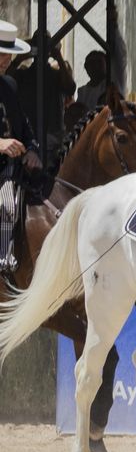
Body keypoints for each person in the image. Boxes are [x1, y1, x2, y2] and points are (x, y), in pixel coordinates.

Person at [0, 22, 43, 273]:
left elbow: (24, 125)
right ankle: (3, 261)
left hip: (13, 170)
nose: (7, 60)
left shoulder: (9, 85)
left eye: (9, 55)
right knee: (6, 203)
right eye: (3, 54)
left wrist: (33, 149)